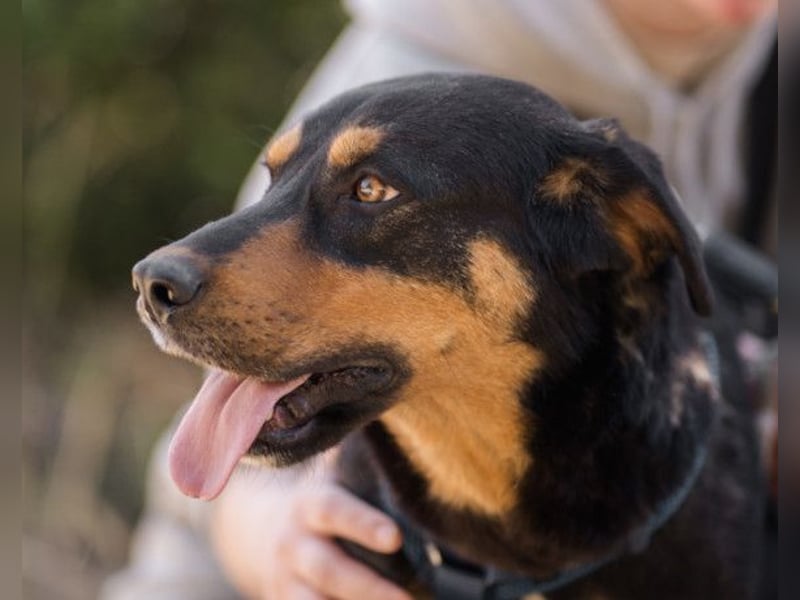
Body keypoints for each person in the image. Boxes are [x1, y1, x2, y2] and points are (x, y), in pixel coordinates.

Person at [101, 1, 777, 598]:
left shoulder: (770, 62)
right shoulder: (401, 63)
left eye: (369, 191)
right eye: (367, 191)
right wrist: (268, 531)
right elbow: (210, 448)